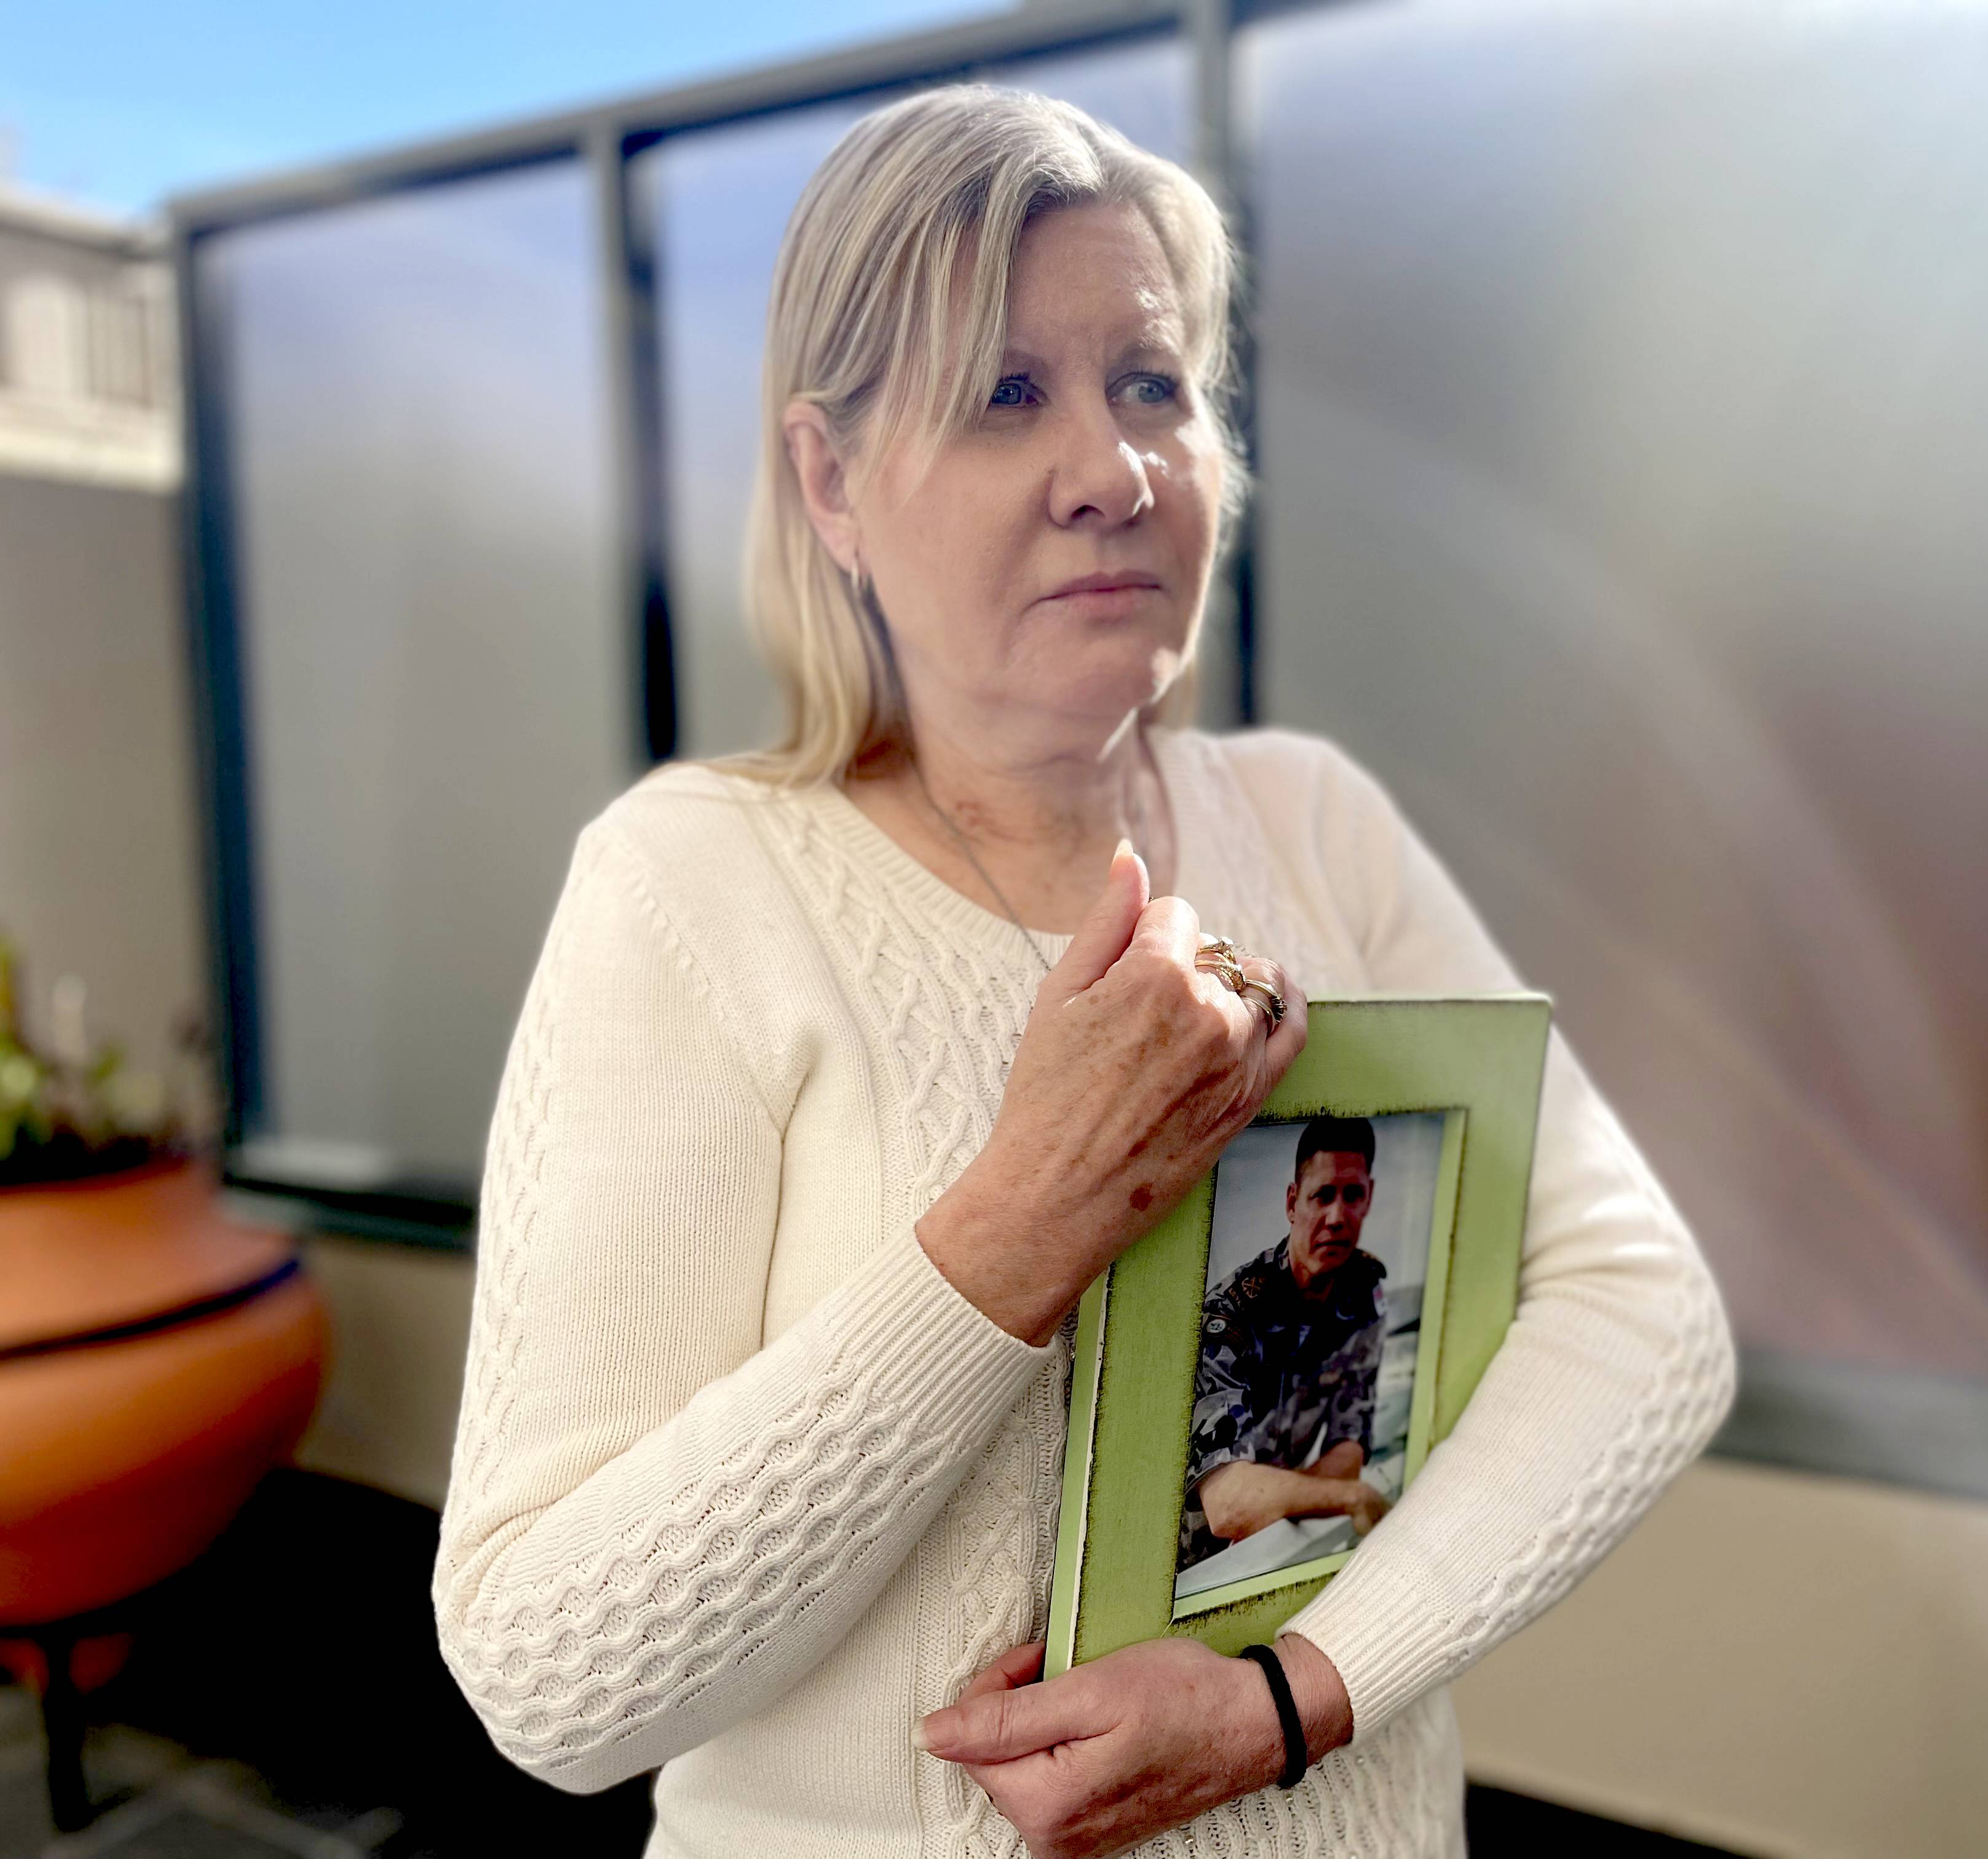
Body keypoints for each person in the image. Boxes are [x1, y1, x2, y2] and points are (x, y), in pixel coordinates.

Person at [430, 83, 1734, 1859]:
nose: (1111, 472)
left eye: (1154, 387)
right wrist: (1033, 1211)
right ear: (829, 480)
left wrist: (1303, 1695)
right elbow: (548, 1675)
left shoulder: (1313, 821)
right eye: (1003, 397)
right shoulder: (698, 887)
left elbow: (1645, 1317)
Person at [1182, 1117, 1393, 1570]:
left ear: (1369, 1198)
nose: (1337, 1217)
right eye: (1322, 1196)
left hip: (1272, 1540)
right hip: (1188, 1565)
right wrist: (1345, 1497)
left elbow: (1348, 1445)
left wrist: (1280, 1506)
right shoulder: (1229, 1316)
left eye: (1352, 1195)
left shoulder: (1362, 1298)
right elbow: (1226, 1506)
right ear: (1293, 1203)